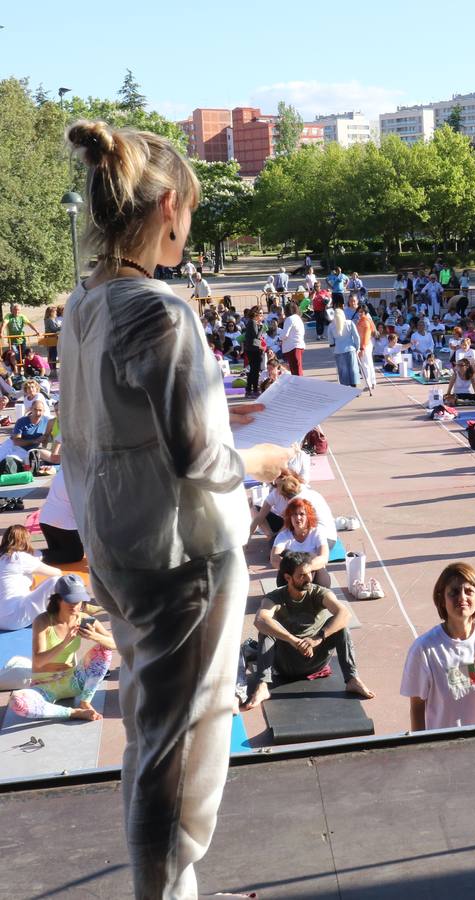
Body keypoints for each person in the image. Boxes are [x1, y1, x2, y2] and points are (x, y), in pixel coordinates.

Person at [60, 118, 293, 899]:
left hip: (121, 546)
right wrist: (256, 458)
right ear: (166, 206)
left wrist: (227, 416)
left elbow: (127, 423)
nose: (190, 225)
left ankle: (172, 888)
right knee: (183, 757)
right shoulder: (160, 310)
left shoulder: (85, 305)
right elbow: (199, 459)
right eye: (189, 208)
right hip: (183, 555)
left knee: (150, 736)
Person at [241, 550, 374, 710]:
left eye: (310, 573)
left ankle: (352, 679)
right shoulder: (274, 597)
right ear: (288, 578)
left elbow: (344, 613)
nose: (308, 579)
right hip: (286, 663)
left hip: (316, 658)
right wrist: (294, 641)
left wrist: (317, 639)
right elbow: (260, 619)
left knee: (341, 626)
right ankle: (262, 686)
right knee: (266, 629)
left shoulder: (318, 592)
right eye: (302, 575)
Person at [401, 562, 475, 729]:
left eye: (469, 591)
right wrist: (421, 748)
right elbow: (417, 707)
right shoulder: (424, 649)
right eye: (454, 592)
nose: (462, 598)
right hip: (445, 745)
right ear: (442, 599)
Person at [8, 574, 115, 721]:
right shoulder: (43, 621)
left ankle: (85, 701)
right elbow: (39, 661)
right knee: (18, 702)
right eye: (69, 600)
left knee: (105, 648)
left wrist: (94, 636)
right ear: (58, 599)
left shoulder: (84, 619)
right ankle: (73, 713)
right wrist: (65, 642)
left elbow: (116, 644)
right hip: (44, 685)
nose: (74, 605)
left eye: (78, 601)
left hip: (74, 680)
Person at [0, 524, 66, 630]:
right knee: (56, 580)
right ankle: (64, 613)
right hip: (15, 619)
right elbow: (57, 573)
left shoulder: (4, 557)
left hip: (2, 619)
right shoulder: (20, 558)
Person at [269, 497, 332, 589]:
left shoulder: (317, 533)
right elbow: (274, 559)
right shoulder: (283, 536)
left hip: (315, 577)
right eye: (294, 514)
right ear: (290, 517)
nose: (298, 518)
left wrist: (305, 569)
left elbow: (324, 557)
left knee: (310, 556)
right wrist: (295, 570)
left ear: (308, 516)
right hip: (292, 579)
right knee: (286, 555)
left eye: (302, 514)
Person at [38, 468, 84, 565]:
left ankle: (32, 555)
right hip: (61, 522)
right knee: (75, 554)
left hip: (46, 518)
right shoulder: (80, 472)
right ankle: (28, 557)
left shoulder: (66, 466)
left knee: (58, 552)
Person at [240, 307, 265, 397]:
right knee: (255, 370)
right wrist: (262, 328)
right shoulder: (253, 322)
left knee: (253, 370)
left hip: (251, 349)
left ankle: (249, 389)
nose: (262, 315)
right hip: (253, 350)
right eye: (261, 313)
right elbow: (256, 336)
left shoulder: (252, 322)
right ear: (256, 314)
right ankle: (254, 389)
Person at [355, 305, 377, 395]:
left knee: (365, 365)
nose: (360, 313)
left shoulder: (365, 321)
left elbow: (366, 336)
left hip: (365, 345)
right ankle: (372, 382)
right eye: (359, 311)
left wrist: (362, 348)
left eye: (362, 311)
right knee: (369, 364)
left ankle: (368, 384)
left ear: (365, 312)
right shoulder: (364, 320)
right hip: (366, 344)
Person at [280, 299, 306, 375]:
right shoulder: (298, 318)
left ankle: (299, 385)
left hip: (293, 347)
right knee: (297, 368)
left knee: (296, 371)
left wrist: (279, 337)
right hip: (298, 345)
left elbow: (285, 335)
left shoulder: (289, 319)